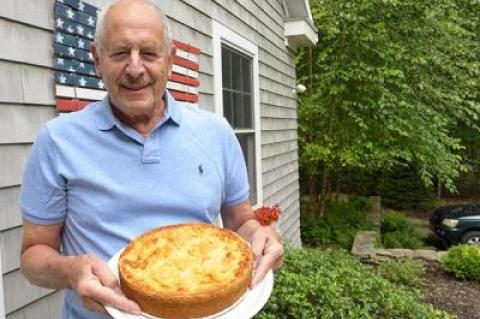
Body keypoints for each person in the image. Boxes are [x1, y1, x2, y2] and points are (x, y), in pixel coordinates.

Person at [19, 0, 283, 318]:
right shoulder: (57, 141)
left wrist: (261, 236)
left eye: (148, 53)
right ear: (97, 59)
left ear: (169, 61)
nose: (134, 69)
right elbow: (34, 255)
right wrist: (72, 271)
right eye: (119, 53)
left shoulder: (216, 132)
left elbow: (241, 222)